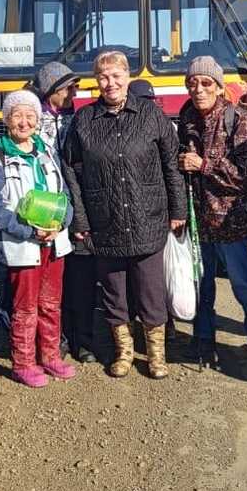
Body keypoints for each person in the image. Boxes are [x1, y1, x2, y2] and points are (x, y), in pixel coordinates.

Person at [62, 50, 186, 380]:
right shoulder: (84, 121)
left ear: (127, 77)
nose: (110, 83)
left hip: (148, 216)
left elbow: (171, 164)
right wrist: (82, 220)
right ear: (96, 81)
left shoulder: (150, 115)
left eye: (116, 76)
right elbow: (71, 170)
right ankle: (124, 352)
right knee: (114, 292)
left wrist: (178, 209)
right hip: (105, 221)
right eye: (103, 77)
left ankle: (157, 354)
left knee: (150, 290)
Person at [176, 56, 247, 372]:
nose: (198, 89)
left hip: (232, 221)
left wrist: (202, 165)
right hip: (199, 220)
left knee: (243, 285)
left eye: (206, 83)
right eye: (192, 83)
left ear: (219, 87)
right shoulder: (186, 117)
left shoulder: (238, 121)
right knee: (201, 285)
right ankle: (203, 342)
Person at [0, 89, 77, 387]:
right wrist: (30, 231)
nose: (24, 122)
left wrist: (62, 222)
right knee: (25, 307)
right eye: (17, 116)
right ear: (7, 120)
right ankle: (23, 362)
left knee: (51, 303)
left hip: (54, 242)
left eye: (30, 116)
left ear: (38, 120)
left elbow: (64, 195)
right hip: (22, 246)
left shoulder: (48, 152)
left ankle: (50, 357)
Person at [31, 61, 98, 362]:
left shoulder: (81, 119)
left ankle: (82, 339)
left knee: (82, 280)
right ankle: (54, 338)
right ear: (51, 90)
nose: (74, 92)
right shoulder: (30, 123)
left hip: (80, 209)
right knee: (50, 283)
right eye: (68, 87)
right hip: (48, 213)